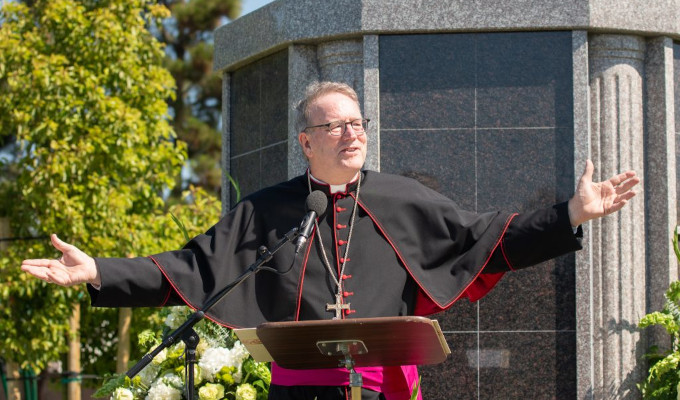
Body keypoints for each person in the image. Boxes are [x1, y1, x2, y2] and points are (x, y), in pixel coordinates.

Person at [22, 81, 639, 400]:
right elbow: (190, 269)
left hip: (384, 386)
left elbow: (488, 241)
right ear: (306, 141)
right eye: (335, 125)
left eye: (358, 123)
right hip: (299, 388)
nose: (351, 133)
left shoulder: (404, 198)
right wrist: (97, 270)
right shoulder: (267, 210)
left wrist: (570, 214)